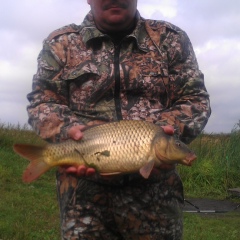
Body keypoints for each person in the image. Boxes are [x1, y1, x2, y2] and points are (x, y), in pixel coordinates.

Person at [27, 0, 211, 239]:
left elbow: (195, 98)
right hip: (81, 197)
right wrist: (69, 131)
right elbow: (42, 101)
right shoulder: (61, 42)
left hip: (156, 197)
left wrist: (167, 134)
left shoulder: (170, 39)